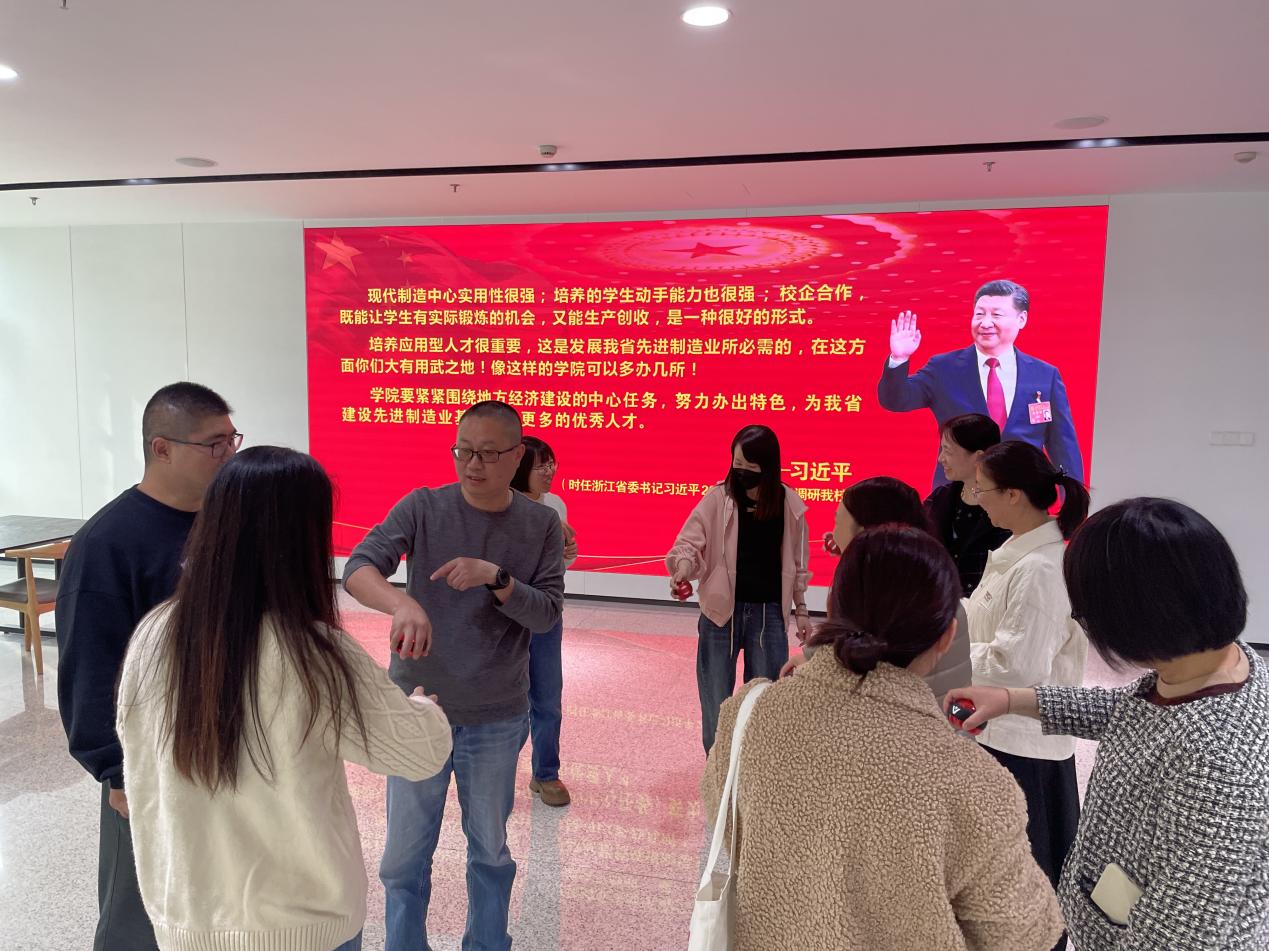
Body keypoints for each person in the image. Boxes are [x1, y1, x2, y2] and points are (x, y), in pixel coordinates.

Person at [116, 447, 453, 951]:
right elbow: (419, 754)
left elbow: (134, 743)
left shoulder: (154, 635)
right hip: (306, 924)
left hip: (189, 918)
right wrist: (425, 710)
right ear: (301, 540)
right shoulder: (313, 653)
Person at [701, 525, 1063, 950]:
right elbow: (1023, 934)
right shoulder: (975, 782)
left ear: (832, 606)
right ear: (947, 636)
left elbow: (725, 822)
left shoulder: (748, 715)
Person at [947, 498, 1269, 950]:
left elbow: (1178, 937)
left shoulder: (1217, 768)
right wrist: (1011, 700)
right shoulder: (1211, 663)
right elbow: (1132, 711)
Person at [342, 400, 564, 951]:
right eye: (463, 451)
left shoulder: (540, 524)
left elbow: (546, 614)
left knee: (489, 851)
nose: (473, 464)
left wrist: (497, 579)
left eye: (488, 453)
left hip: (495, 714)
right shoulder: (423, 507)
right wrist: (402, 604)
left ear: (517, 455)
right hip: (417, 710)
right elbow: (359, 568)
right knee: (403, 858)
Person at [55, 381, 238, 951]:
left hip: (226, 747)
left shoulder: (223, 523)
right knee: (139, 914)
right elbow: (90, 666)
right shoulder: (107, 542)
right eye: (214, 444)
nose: (228, 455)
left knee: (214, 906)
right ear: (162, 449)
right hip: (149, 761)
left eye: (232, 440)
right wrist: (115, 770)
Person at [965, 440, 1090, 898]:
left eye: (982, 490)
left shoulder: (1041, 568)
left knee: (1024, 882)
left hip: (1023, 743)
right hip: (995, 729)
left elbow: (1018, 665)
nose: (977, 499)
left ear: (1013, 494)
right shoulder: (1016, 549)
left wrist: (948, 654)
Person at [667, 424, 811, 753]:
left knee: (765, 701)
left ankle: (755, 769)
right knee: (716, 700)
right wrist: (682, 570)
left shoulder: (788, 503)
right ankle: (717, 766)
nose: (742, 472)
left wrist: (801, 610)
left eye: (750, 466)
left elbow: (797, 563)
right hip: (720, 613)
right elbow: (689, 543)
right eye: (737, 464)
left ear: (768, 467)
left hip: (769, 615)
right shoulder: (718, 498)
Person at [877, 279, 1083, 488]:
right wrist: (899, 358)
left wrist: (1073, 498)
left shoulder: (1044, 375)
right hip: (957, 496)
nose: (985, 323)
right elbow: (896, 400)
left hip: (1022, 496)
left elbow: (1062, 444)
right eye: (979, 314)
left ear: (1021, 319)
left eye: (996, 315)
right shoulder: (944, 367)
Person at [790, 475, 970, 702]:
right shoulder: (926, 579)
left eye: (837, 523)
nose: (833, 535)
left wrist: (812, 660)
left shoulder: (883, 599)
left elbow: (859, 657)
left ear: (864, 533)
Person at [510, 435, 578, 807]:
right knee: (508, 699)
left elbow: (559, 565)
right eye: (541, 465)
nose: (550, 471)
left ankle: (546, 773)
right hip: (508, 616)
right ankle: (497, 769)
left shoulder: (556, 505)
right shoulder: (503, 504)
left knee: (548, 699)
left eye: (552, 463)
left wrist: (568, 552)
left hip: (547, 615)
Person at [924, 413, 1011, 596]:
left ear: (978, 457)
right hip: (943, 604)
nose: (941, 458)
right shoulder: (940, 498)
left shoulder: (1008, 504)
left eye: (948, 451)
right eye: (941, 449)